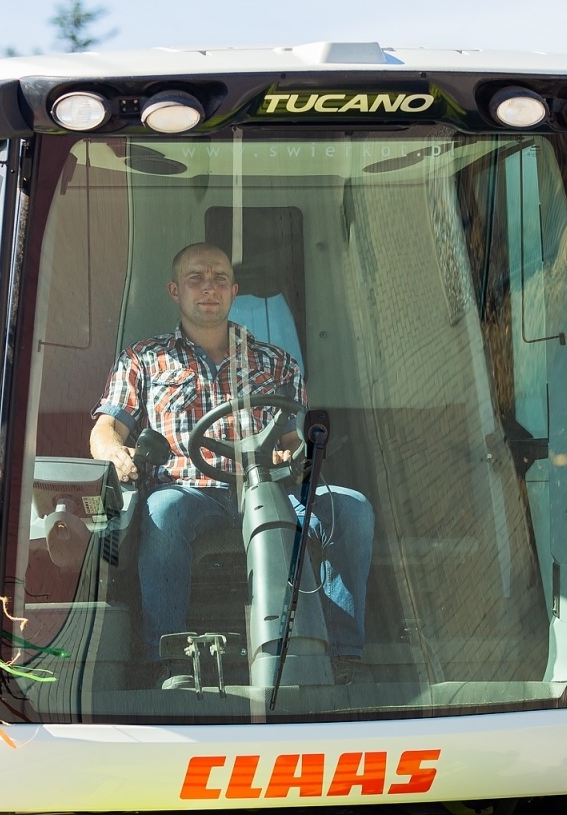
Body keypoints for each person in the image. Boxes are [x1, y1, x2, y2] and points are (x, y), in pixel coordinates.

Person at [89, 242, 374, 687]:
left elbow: (293, 444)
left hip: (270, 492)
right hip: (188, 492)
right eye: (196, 279)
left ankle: (343, 659)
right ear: (174, 290)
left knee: (350, 507)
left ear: (234, 290)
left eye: (220, 278)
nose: (209, 287)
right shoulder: (142, 359)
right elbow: (105, 431)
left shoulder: (276, 362)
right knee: (160, 511)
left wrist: (291, 455)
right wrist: (114, 452)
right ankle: (168, 660)